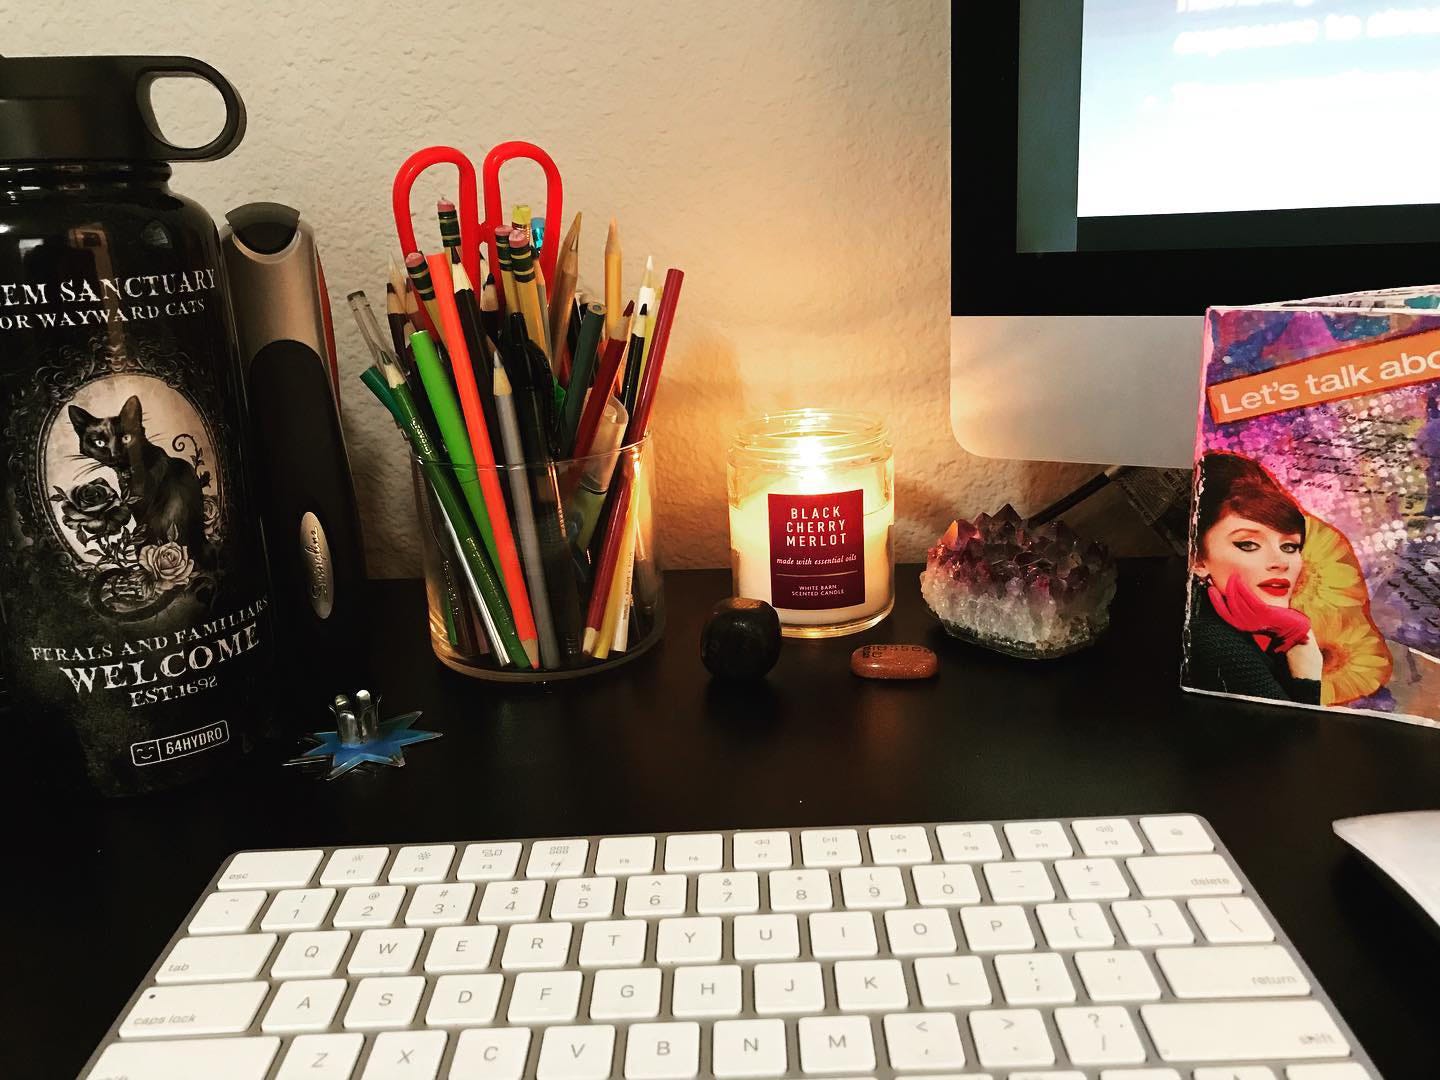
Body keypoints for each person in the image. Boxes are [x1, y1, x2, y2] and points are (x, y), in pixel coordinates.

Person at [1185, 451, 1323, 704]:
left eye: (1290, 547)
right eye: (1248, 544)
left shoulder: (1249, 624)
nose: (1281, 563)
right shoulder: (1219, 646)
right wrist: (1307, 672)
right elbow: (1297, 738)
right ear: (1198, 559)